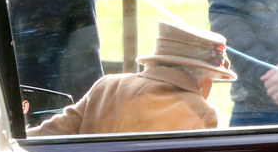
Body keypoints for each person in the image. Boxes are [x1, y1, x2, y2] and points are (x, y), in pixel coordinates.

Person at [26, 21, 234, 136]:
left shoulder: (107, 86)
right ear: (202, 78)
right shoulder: (201, 112)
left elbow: (45, 136)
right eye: (214, 78)